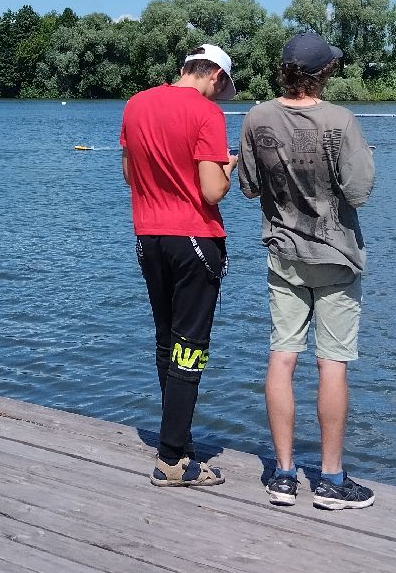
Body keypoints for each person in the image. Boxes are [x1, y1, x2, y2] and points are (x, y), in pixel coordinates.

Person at [238, 32, 376, 511]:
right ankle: (332, 481)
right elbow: (359, 192)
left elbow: (250, 187)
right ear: (324, 73)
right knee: (331, 363)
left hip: (284, 253)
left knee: (282, 357)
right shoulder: (341, 119)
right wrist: (367, 157)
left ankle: (282, 475)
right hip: (336, 256)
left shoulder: (256, 116)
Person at [120, 44, 237, 487]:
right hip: (195, 238)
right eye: (221, 86)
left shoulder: (136, 104)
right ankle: (171, 460)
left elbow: (130, 174)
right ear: (215, 77)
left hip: (148, 237)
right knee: (191, 346)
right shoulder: (208, 114)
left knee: (166, 338)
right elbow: (211, 193)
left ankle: (179, 439)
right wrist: (228, 167)